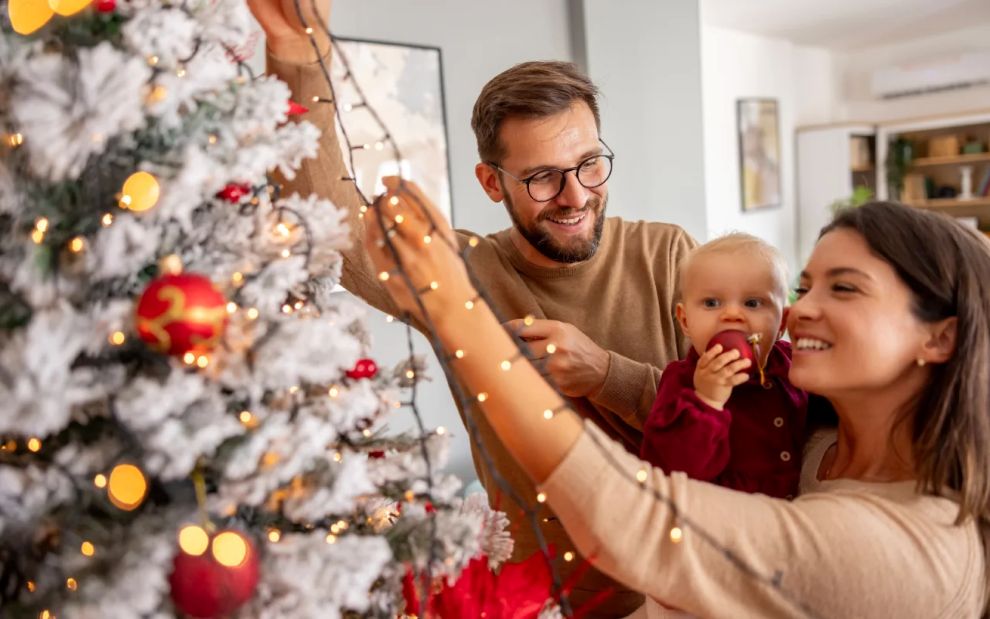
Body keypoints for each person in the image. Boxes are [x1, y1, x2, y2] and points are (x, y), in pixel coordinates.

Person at [249, 1, 695, 613]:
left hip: (677, 591)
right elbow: (329, 219)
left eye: (590, 164)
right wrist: (301, 56)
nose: (576, 196)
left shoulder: (669, 253)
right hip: (535, 602)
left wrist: (605, 374)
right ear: (492, 184)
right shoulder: (456, 271)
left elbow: (738, 423)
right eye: (543, 177)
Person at [365, 192, 989, 617]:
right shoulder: (824, 437)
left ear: (940, 337)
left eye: (844, 288)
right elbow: (673, 417)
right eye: (804, 287)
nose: (799, 310)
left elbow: (634, 520)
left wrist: (456, 311)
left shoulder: (906, 547)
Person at [640, 234, 807, 500]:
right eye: (711, 303)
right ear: (685, 321)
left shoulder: (795, 364)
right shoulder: (681, 382)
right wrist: (707, 400)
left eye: (752, 303)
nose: (731, 315)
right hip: (727, 523)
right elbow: (670, 470)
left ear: (782, 323)